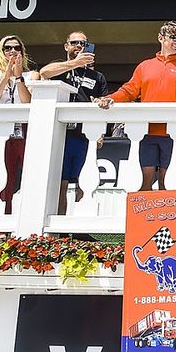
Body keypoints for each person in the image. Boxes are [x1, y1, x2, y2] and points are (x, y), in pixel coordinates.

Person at [96, 21, 176, 191]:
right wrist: (110, 98)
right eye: (173, 37)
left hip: (174, 133)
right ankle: (145, 218)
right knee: (144, 183)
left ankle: (167, 217)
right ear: (160, 38)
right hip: (146, 132)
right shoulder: (144, 66)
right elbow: (128, 91)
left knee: (167, 184)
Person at [40, 32, 108, 215]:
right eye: (75, 42)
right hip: (62, 134)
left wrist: (101, 133)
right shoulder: (60, 69)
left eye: (83, 43)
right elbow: (43, 73)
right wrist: (74, 63)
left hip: (85, 134)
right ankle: (59, 228)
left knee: (84, 183)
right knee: (60, 182)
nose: (79, 46)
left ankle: (79, 231)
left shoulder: (97, 76)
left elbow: (103, 104)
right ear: (66, 46)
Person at [0, 35, 41, 214]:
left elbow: (28, 102)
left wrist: (18, 78)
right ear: (1, 51)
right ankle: (3, 220)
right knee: (4, 175)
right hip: (2, 129)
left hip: (25, 129)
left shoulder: (32, 74)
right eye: (7, 48)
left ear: (22, 51)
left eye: (17, 48)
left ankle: (28, 217)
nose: (12, 51)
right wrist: (6, 77)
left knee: (29, 174)